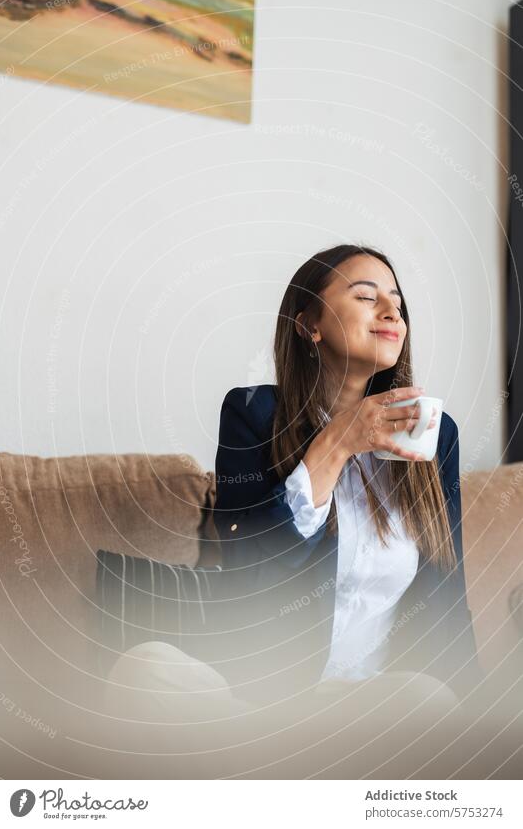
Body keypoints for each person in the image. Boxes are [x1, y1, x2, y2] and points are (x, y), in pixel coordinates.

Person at [103, 243, 484, 777]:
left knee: (430, 702)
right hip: (260, 701)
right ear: (309, 324)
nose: (392, 312)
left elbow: (448, 590)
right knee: (143, 671)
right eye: (365, 296)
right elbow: (252, 573)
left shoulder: (434, 436)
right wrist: (337, 445)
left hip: (369, 710)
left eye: (397, 301)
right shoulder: (254, 415)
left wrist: (483, 735)